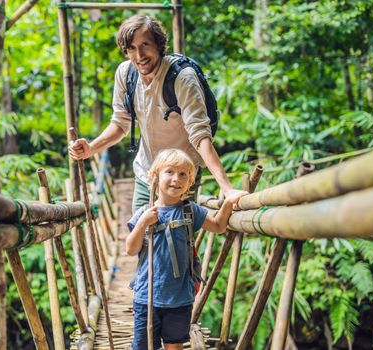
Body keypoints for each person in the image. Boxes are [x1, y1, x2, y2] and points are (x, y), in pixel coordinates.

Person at [68, 14, 247, 211]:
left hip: (180, 178)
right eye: (132, 48)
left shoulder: (182, 78)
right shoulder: (125, 74)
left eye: (145, 45)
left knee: (178, 238)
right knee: (139, 236)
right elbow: (121, 123)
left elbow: (200, 135)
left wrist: (227, 189)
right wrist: (91, 149)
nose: (139, 55)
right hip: (146, 173)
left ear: (159, 44)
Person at [126, 149, 238, 350]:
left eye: (183, 174)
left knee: (174, 345)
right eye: (169, 172)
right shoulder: (144, 212)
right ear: (155, 177)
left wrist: (228, 202)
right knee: (142, 346)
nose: (176, 179)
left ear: (189, 182)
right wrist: (143, 223)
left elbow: (219, 226)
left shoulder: (190, 210)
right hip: (147, 295)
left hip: (179, 297)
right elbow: (131, 249)